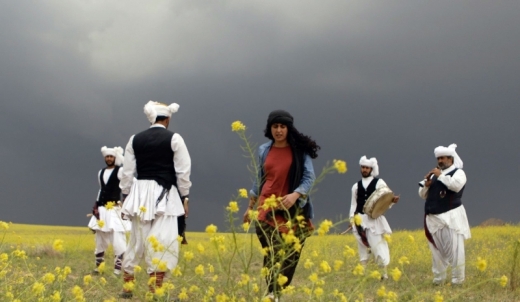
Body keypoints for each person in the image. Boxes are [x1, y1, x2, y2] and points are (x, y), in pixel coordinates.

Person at [243, 110, 318, 302]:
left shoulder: (300, 152)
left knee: (292, 254)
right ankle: (272, 293)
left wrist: (295, 194)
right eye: (275, 126)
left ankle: (275, 292)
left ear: (288, 129)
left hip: (292, 209)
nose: (278, 130)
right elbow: (260, 180)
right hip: (266, 209)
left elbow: (310, 177)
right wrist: (250, 207)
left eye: (282, 127)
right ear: (270, 129)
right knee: (274, 249)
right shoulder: (263, 150)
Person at [118, 101, 191, 299]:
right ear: (167, 119)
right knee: (162, 241)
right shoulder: (175, 138)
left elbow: (126, 172)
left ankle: (127, 288)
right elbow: (183, 171)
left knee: (136, 240)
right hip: (165, 195)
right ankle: (155, 291)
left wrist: (125, 195)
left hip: (140, 193)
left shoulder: (135, 139)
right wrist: (185, 196)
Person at [418, 144, 470, 285]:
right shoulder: (435, 175)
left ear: (450, 159)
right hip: (433, 219)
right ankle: (439, 279)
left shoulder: (458, 173)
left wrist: (441, 176)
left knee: (455, 250)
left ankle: (457, 281)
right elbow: (422, 195)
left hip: (451, 217)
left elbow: (455, 185)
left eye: (443, 158)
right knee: (437, 252)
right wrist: (427, 185)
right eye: (438, 158)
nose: (440, 161)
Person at [349, 156, 399, 279]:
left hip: (374, 219)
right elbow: (353, 204)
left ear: (371, 169)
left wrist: (392, 201)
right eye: (363, 167)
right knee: (363, 248)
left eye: (367, 168)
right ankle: (363, 275)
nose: (364, 169)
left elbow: (386, 197)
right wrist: (351, 220)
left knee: (378, 246)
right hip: (359, 219)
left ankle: (384, 275)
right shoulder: (355, 186)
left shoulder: (379, 183)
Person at [88, 146, 129, 276]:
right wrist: (95, 207)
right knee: (100, 238)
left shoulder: (120, 170)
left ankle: (117, 270)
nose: (109, 158)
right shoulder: (100, 172)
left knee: (118, 239)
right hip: (102, 209)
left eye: (111, 156)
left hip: (115, 210)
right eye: (107, 156)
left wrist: (126, 200)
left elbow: (129, 182)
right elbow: (101, 190)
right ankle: (99, 267)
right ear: (105, 158)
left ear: (115, 158)